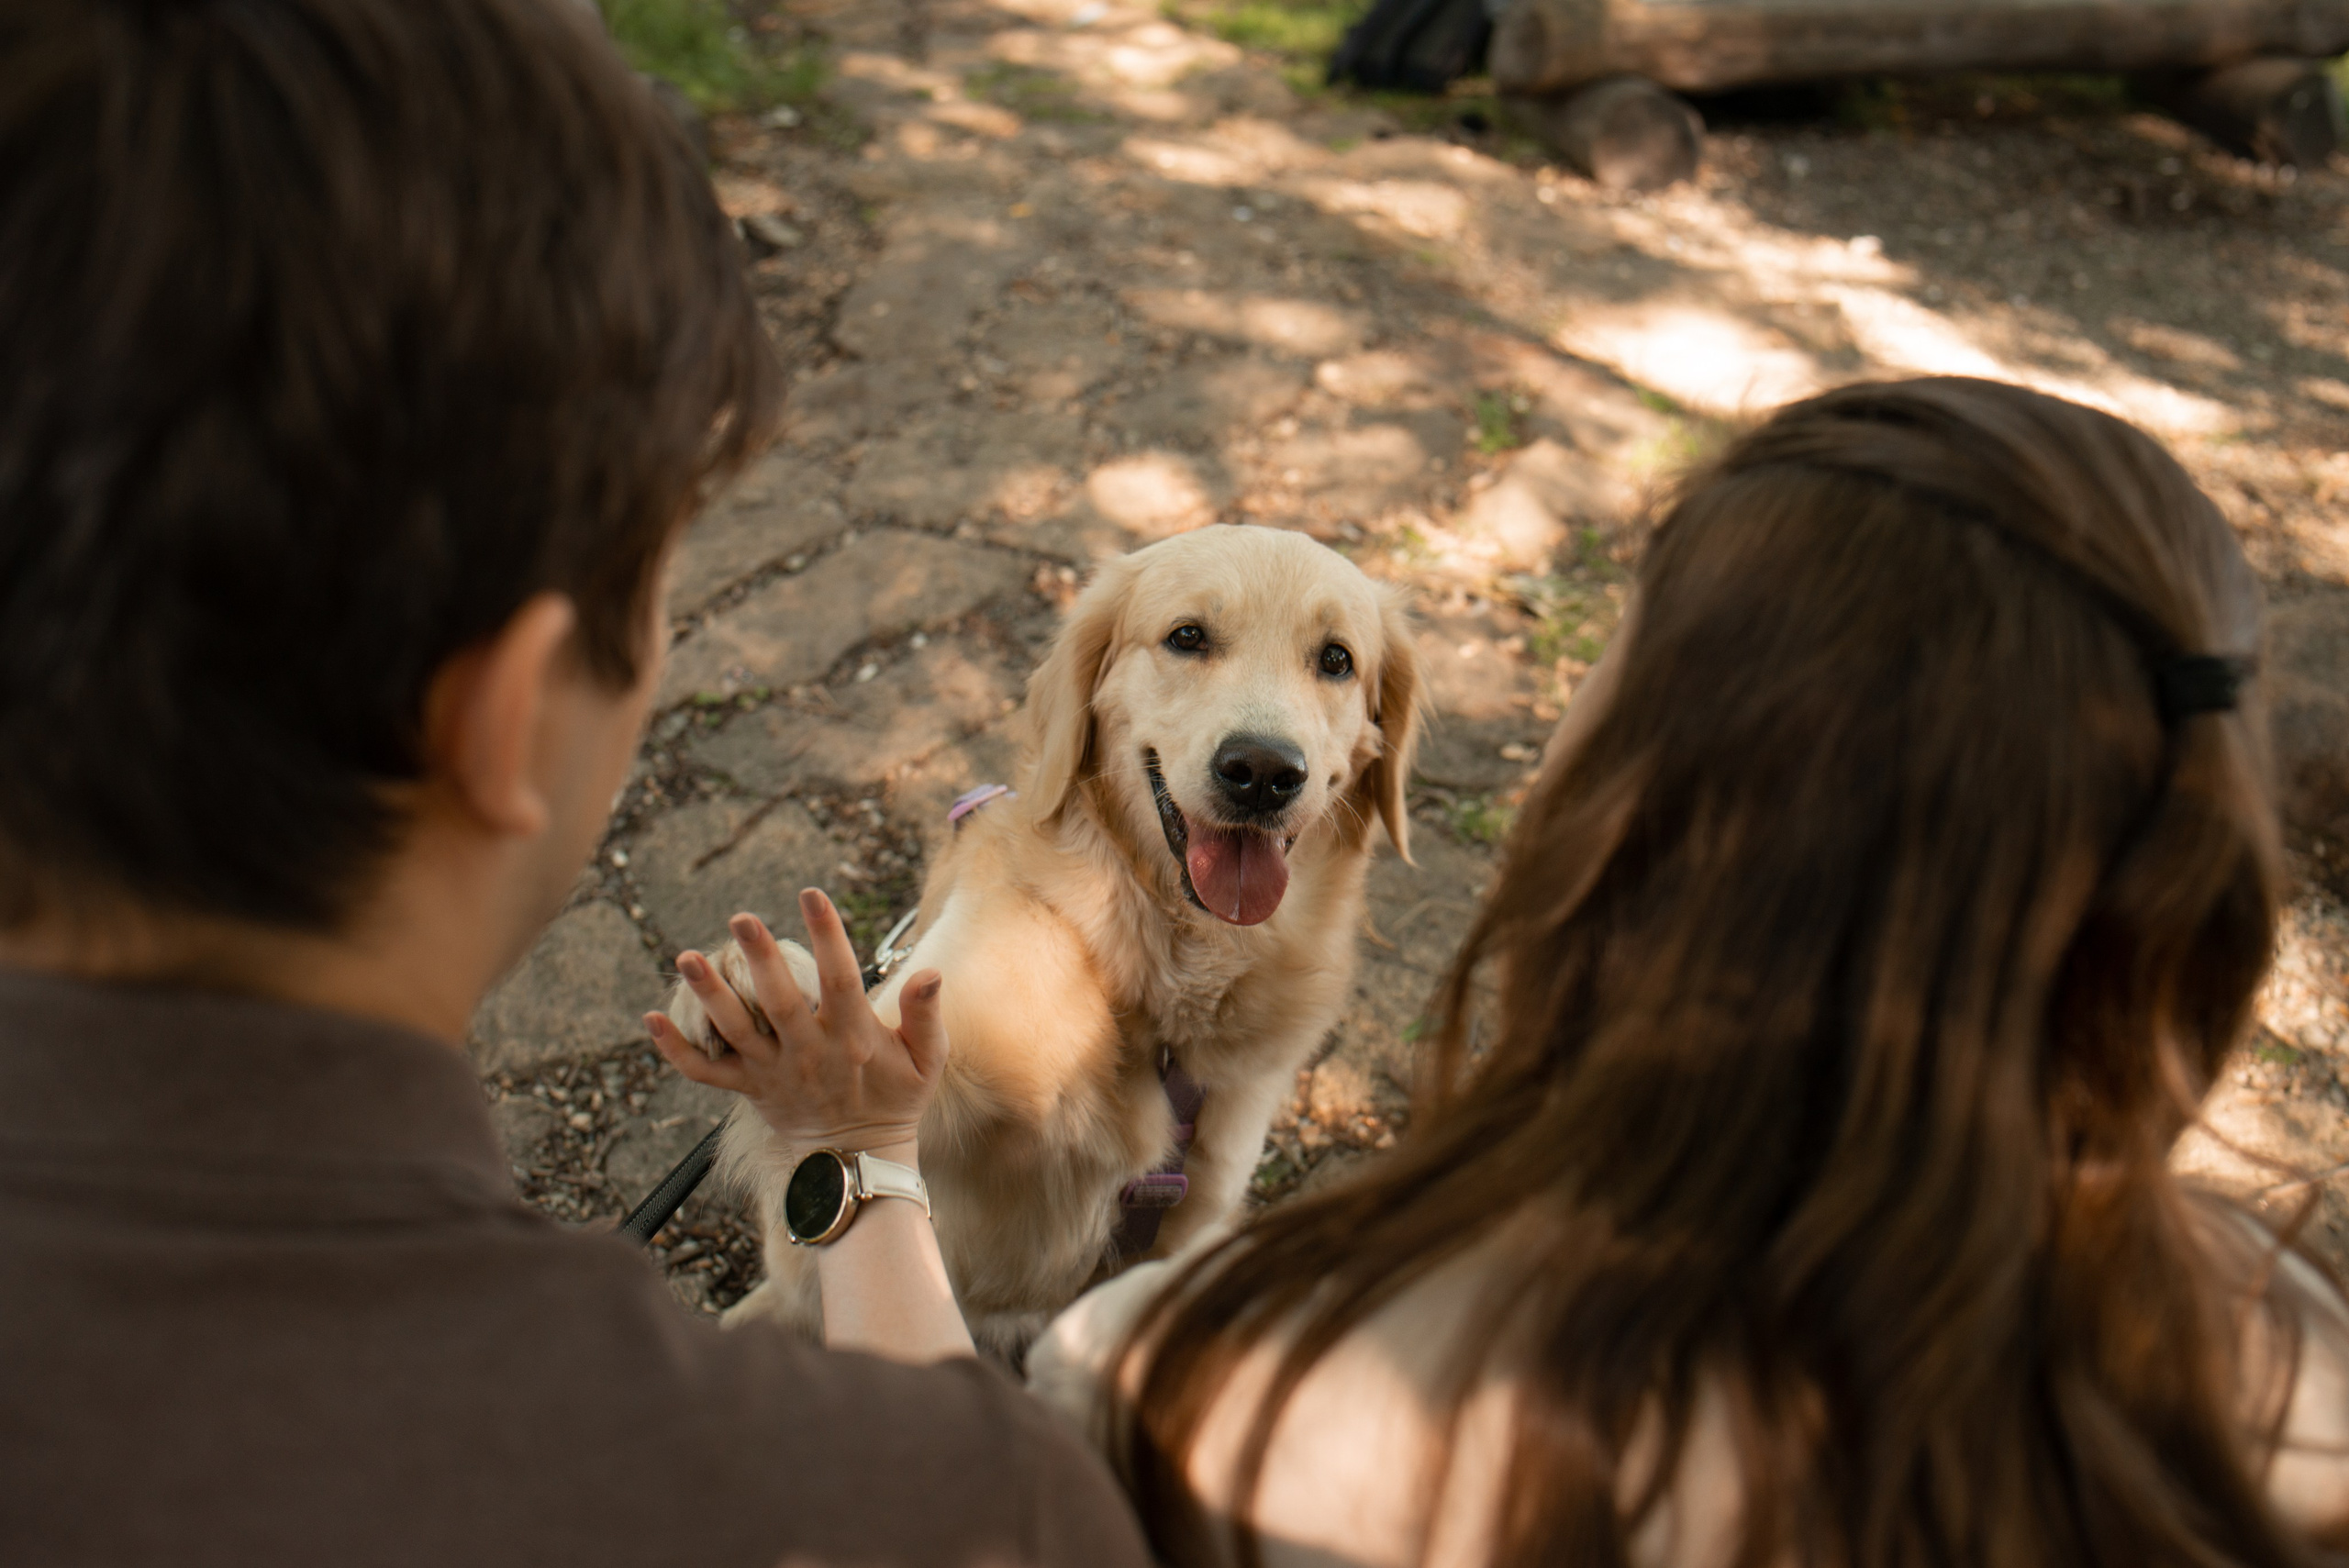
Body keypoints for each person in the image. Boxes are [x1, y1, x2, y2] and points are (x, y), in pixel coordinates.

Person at [0, 3, 1150, 1564]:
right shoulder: (914, 1506)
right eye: (663, 583)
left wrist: (851, 1146)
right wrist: (869, 1181)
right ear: (509, 707)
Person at [1021, 378, 2349, 1566]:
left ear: (1640, 808)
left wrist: (857, 1174)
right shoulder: (2297, 1368)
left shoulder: (1194, 1380)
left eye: (1617, 657)